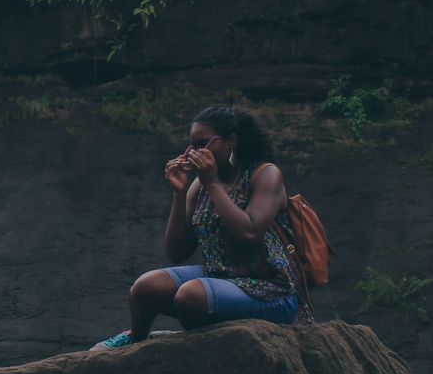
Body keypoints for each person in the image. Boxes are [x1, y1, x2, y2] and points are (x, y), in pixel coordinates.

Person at [97, 106, 312, 348]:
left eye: (202, 144)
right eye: (191, 145)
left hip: (272, 290)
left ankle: (200, 344)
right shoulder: (199, 186)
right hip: (220, 278)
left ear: (232, 141)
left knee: (191, 296)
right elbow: (176, 252)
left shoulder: (264, 174)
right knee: (146, 287)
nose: (192, 153)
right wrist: (179, 194)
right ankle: (136, 339)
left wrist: (212, 182)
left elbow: (250, 232)